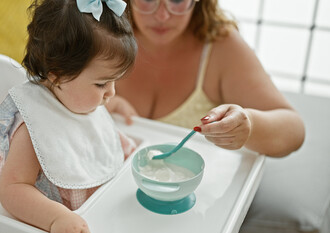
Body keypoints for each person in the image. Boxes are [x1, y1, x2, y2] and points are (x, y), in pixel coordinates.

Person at [0, 0, 137, 233]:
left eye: (114, 81)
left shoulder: (81, 100)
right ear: (57, 75)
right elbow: (13, 189)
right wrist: (57, 217)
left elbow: (98, 136)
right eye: (102, 84)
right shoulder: (34, 126)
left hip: (100, 211)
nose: (111, 93)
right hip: (53, 226)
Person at [106, 0, 305, 157]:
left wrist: (249, 125)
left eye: (176, 0)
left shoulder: (220, 46)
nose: (162, 15)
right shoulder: (101, 34)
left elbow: (294, 129)